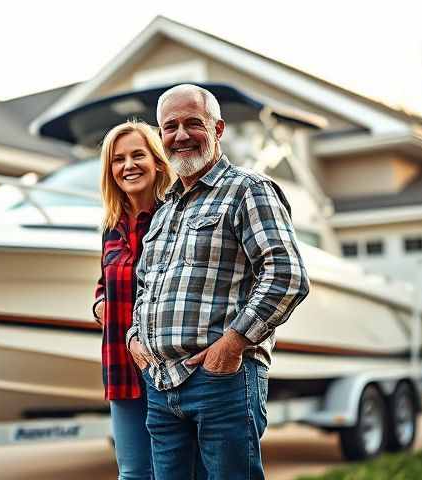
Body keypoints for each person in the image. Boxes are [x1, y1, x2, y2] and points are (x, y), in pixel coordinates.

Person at [126, 84, 310, 480]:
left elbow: (287, 275)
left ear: (218, 129)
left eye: (194, 123)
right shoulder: (164, 209)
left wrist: (232, 345)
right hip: (162, 385)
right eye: (170, 126)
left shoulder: (248, 190)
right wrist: (134, 339)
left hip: (223, 381)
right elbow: (145, 287)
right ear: (160, 137)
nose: (181, 134)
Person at [93, 121, 173, 480]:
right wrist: (98, 305)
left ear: (157, 162)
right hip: (121, 367)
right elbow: (102, 283)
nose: (128, 165)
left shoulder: (174, 216)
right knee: (132, 473)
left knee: (170, 471)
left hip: (167, 370)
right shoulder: (112, 226)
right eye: (118, 159)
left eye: (138, 155)